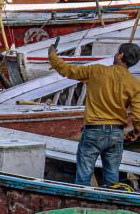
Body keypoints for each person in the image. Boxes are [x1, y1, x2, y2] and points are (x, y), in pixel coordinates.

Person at [49, 41, 140, 188]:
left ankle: (83, 206)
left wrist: (52, 54)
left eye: (117, 53)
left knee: (83, 180)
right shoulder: (134, 84)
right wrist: (135, 132)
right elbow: (137, 116)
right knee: (113, 182)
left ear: (120, 56)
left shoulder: (97, 71)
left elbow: (67, 70)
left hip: (93, 132)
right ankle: (112, 207)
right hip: (116, 134)